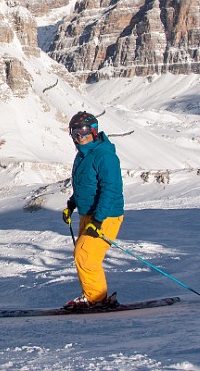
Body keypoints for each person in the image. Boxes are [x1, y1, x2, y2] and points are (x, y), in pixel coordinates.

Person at [62, 111, 124, 310]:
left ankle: (96, 298)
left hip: (106, 215)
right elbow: (85, 185)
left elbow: (111, 189)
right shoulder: (82, 155)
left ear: (94, 132)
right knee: (85, 256)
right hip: (88, 213)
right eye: (75, 133)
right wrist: (72, 204)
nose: (79, 137)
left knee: (85, 254)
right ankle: (93, 294)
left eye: (84, 132)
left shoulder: (105, 156)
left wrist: (98, 219)